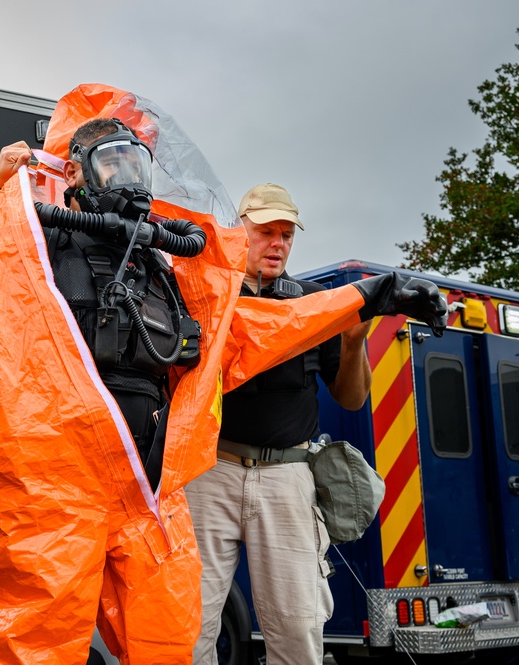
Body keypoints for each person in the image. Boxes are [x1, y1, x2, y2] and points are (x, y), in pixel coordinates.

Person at [0, 83, 446, 665]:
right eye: (108, 154)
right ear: (67, 164)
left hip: (149, 499)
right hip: (45, 499)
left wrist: (368, 295)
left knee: (170, 648)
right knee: (36, 650)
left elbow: (251, 329)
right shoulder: (3, 242)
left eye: (136, 156)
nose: (127, 170)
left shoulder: (169, 269)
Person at [188, 183, 374, 665]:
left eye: (287, 235)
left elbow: (351, 399)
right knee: (189, 626)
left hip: (289, 478)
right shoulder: (206, 293)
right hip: (211, 472)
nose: (278, 244)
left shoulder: (315, 303)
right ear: (239, 232)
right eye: (266, 231)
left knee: (298, 629)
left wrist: (353, 342)